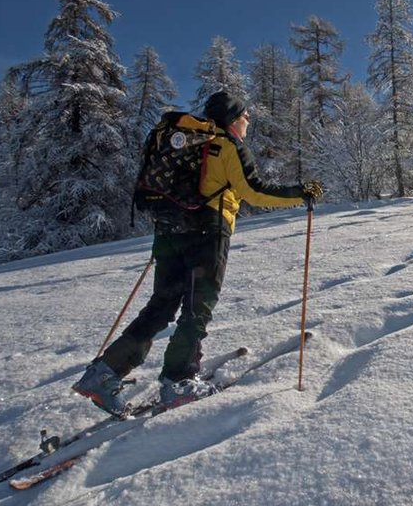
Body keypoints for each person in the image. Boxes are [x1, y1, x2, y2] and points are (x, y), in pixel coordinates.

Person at [73, 91, 323, 415]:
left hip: (168, 232)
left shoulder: (187, 143)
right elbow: (254, 191)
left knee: (160, 307)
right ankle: (178, 382)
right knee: (197, 308)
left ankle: (103, 375)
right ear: (233, 119)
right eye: (245, 116)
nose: (248, 121)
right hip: (207, 232)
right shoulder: (226, 146)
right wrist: (299, 193)